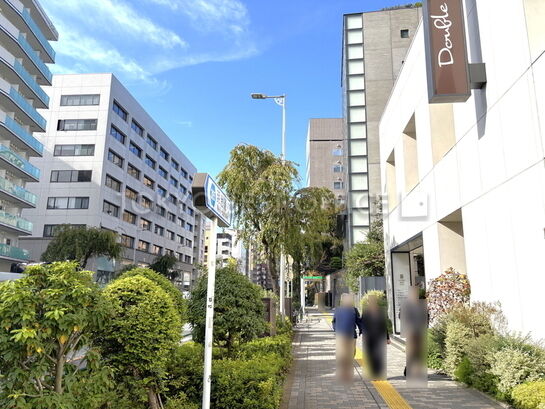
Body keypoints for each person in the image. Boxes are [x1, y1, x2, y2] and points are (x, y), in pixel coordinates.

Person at [332, 293, 363, 382]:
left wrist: (362, 330)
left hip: (352, 335)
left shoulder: (354, 310)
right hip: (341, 336)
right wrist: (337, 331)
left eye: (350, 299)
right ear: (343, 301)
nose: (349, 301)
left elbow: (359, 321)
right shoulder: (338, 310)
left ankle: (349, 374)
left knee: (350, 355)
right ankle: (341, 373)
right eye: (347, 299)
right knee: (341, 355)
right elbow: (334, 322)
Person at [360, 294, 390, 379]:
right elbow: (363, 323)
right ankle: (373, 372)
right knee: (370, 355)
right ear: (368, 302)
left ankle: (378, 373)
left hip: (379, 336)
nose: (372, 303)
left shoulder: (381, 311)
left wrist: (387, 338)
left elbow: (384, 325)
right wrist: (363, 334)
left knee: (379, 355)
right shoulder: (365, 311)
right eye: (370, 301)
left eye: (373, 301)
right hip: (369, 336)